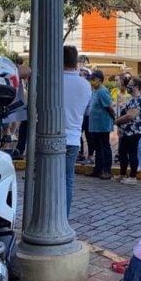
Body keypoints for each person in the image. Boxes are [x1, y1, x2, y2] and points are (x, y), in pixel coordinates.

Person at [63, 46, 92, 215]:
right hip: (73, 138)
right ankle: (64, 217)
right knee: (68, 179)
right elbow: (86, 110)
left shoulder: (52, 81)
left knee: (48, 179)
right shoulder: (85, 85)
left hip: (50, 137)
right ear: (76, 62)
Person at [114, 77, 141, 184]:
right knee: (122, 152)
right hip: (126, 131)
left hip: (134, 131)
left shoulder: (138, 100)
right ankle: (122, 174)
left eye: (130, 85)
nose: (128, 86)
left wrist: (117, 121)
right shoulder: (132, 99)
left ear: (136, 87)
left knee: (132, 153)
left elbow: (130, 115)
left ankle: (133, 177)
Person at [86, 70, 115, 180]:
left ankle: (107, 170)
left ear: (99, 80)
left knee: (105, 147)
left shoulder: (102, 91)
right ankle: (97, 170)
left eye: (93, 79)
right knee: (97, 148)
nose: (91, 81)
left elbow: (109, 108)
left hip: (102, 125)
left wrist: (115, 119)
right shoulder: (95, 91)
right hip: (95, 125)